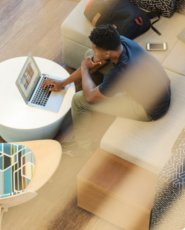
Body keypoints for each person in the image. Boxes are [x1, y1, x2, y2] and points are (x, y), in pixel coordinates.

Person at [42, 25, 171, 156]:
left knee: (78, 100)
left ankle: (84, 148)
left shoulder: (120, 72)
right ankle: (100, 92)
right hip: (158, 87)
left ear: (108, 53)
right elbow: (94, 59)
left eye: (95, 48)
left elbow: (89, 98)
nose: (93, 50)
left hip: (148, 108)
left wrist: (85, 69)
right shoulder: (120, 41)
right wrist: (63, 83)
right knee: (89, 56)